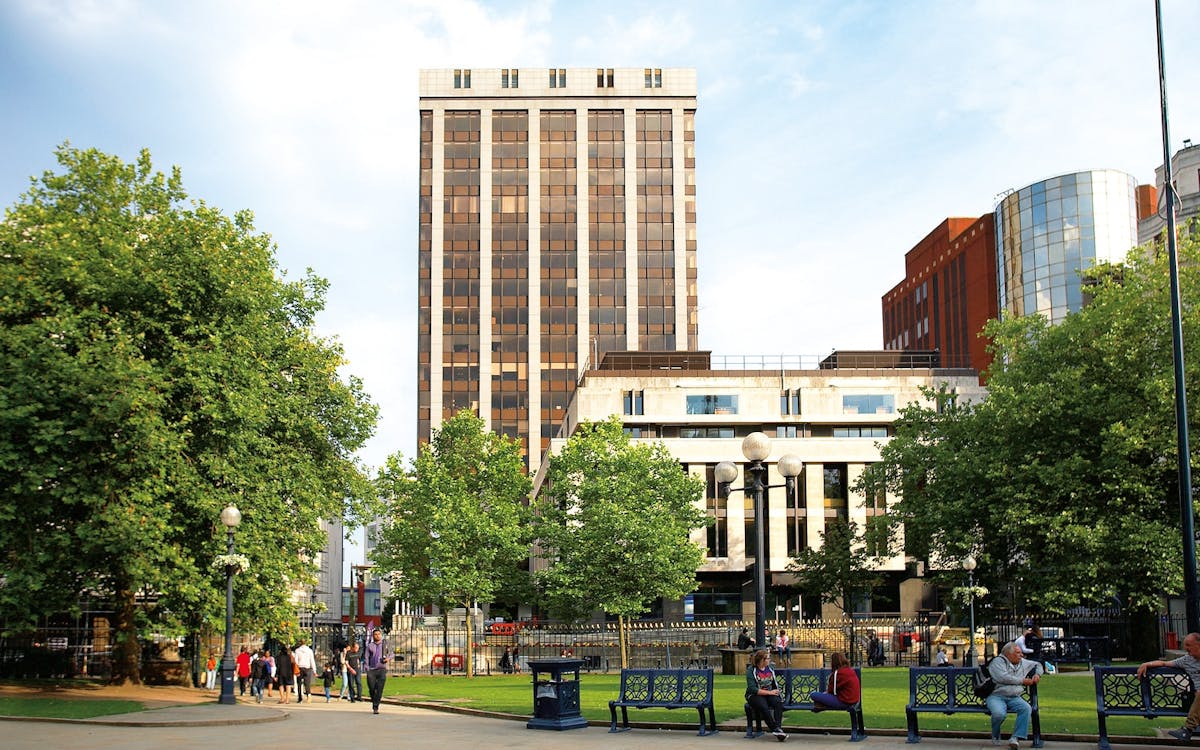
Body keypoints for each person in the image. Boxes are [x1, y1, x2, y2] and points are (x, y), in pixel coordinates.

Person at [1139, 631, 1200, 740]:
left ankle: (1188, 729)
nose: (1185, 648)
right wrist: (1147, 664)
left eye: (1188, 645)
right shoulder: (1186, 660)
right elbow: (1164, 663)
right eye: (1185, 645)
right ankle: (1188, 730)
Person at [987, 641, 1044, 750]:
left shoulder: (1022, 662)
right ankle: (995, 733)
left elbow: (1038, 664)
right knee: (999, 714)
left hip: (1014, 697)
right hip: (996, 696)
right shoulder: (997, 662)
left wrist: (1037, 674)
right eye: (1018, 653)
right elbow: (1003, 678)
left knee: (1026, 708)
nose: (1021, 655)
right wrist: (1022, 681)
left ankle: (1015, 738)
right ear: (1008, 654)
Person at [745, 649, 787, 742]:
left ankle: (778, 728)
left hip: (769, 693)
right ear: (761, 660)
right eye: (767, 658)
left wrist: (776, 692)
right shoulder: (751, 670)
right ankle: (775, 729)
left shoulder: (770, 668)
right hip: (755, 695)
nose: (769, 660)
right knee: (763, 706)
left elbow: (774, 683)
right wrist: (770, 693)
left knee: (777, 702)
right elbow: (752, 689)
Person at [364, 628, 391, 714]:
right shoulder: (370, 646)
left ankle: (375, 707)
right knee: (372, 688)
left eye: (379, 634)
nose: (377, 636)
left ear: (381, 635)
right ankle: (374, 700)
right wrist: (367, 668)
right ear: (373, 636)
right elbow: (366, 657)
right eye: (375, 634)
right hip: (372, 670)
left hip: (382, 669)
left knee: (379, 688)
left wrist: (388, 658)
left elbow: (392, 653)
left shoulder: (385, 644)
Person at [293, 638, 316, 704]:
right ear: (306, 643)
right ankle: (309, 695)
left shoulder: (297, 650)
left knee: (299, 683)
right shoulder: (309, 650)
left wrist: (295, 669)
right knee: (307, 683)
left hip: (300, 668)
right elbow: (312, 660)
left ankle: (300, 698)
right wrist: (314, 670)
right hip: (307, 668)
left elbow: (296, 661)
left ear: (300, 643)